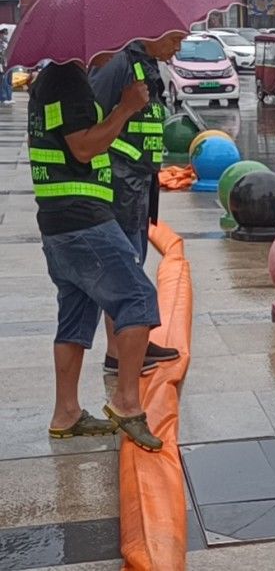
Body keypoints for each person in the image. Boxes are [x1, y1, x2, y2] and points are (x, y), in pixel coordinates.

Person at [29, 60, 163, 452]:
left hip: (60, 220)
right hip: (82, 220)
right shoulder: (69, 80)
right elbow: (84, 148)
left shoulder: (52, 79)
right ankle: (126, 402)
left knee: (76, 313)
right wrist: (125, 108)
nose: (115, 55)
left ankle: (66, 413)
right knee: (138, 298)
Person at [90, 36, 183, 376]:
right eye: (177, 38)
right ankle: (120, 351)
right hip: (119, 181)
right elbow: (91, 116)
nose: (179, 47)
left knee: (134, 262)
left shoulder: (146, 64)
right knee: (122, 268)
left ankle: (133, 342)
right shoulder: (118, 64)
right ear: (153, 32)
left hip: (140, 181)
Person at [0, 28, 11, 105]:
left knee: (8, 82)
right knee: (3, 82)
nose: (5, 35)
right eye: (4, 33)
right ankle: (4, 98)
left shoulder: (5, 42)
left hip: (6, 64)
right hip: (2, 64)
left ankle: (8, 97)